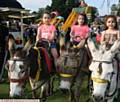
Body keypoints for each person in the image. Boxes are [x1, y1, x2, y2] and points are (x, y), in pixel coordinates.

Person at [0, 18, 9, 83]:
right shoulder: (5, 29)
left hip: (2, 48)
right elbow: (6, 39)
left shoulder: (5, 29)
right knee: (1, 63)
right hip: (2, 48)